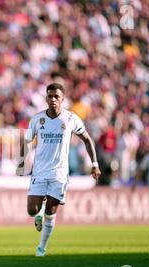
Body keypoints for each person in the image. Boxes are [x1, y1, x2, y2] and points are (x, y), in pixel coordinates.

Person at [16, 83, 101, 257]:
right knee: (32, 210)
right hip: (39, 172)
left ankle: (41, 248)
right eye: (50, 96)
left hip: (59, 174)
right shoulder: (37, 119)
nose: (53, 99)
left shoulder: (71, 119)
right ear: (46, 98)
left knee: (51, 212)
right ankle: (38, 213)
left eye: (56, 96)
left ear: (62, 98)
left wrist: (95, 164)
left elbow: (87, 139)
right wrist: (22, 162)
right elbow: (25, 142)